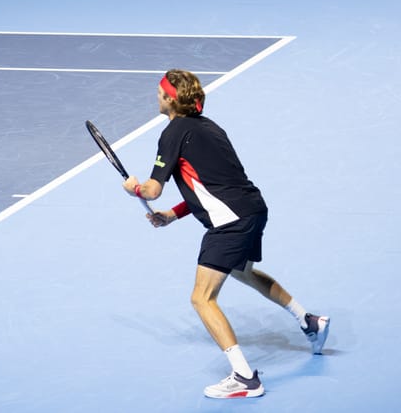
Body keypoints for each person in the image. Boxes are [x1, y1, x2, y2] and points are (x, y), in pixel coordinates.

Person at [122, 69, 329, 399]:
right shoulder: (210, 129)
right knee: (243, 272)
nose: (156, 97)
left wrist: (135, 187)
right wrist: (173, 216)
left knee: (201, 298)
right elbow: (212, 185)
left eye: (159, 92)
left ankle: (245, 378)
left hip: (229, 223)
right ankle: (309, 321)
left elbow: (152, 189)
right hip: (253, 210)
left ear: (169, 99)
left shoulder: (173, 133)